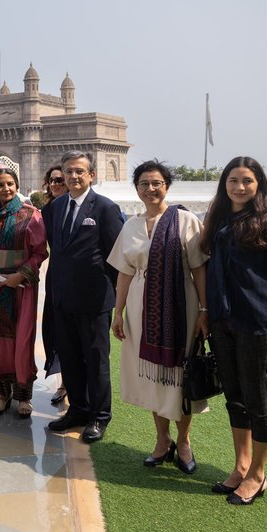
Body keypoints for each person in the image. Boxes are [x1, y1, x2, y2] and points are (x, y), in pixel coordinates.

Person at [108, 161, 208, 473]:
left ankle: (185, 440)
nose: (151, 189)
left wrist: (204, 310)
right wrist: (118, 312)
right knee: (152, 377)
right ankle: (162, 439)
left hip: (182, 307)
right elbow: (124, 272)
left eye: (157, 183)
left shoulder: (185, 220)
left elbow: (198, 269)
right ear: (136, 188)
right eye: (144, 184)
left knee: (181, 377)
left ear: (166, 185)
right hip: (141, 310)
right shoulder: (131, 225)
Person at [200, 156, 267, 505]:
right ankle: (241, 466)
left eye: (247, 180)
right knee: (234, 396)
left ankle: (258, 475)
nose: (239, 187)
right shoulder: (218, 222)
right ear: (225, 185)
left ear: (258, 185)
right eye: (233, 180)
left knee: (257, 399)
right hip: (222, 321)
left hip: (256, 323)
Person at [45, 150, 124, 443]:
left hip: (94, 301)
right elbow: (58, 251)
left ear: (91, 175)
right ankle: (78, 410)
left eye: (80, 171)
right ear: (62, 175)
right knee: (70, 359)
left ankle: (99, 417)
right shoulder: (54, 208)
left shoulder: (105, 208)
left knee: (96, 361)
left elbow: (117, 257)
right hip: (63, 299)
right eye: (68, 172)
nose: (74, 177)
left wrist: (115, 301)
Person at [0, 166, 48, 417]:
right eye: (0, 185)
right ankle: (2, 393)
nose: (5, 189)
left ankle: (23, 396)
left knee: (21, 340)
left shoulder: (31, 215)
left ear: (17, 186)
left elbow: (40, 252)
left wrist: (19, 275)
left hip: (20, 289)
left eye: (10, 184)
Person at [40, 164, 69, 405]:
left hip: (79, 280)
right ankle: (64, 383)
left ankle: (76, 386)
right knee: (57, 331)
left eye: (61, 179)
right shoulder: (47, 211)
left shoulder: (84, 207)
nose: (57, 184)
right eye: (53, 180)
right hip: (56, 276)